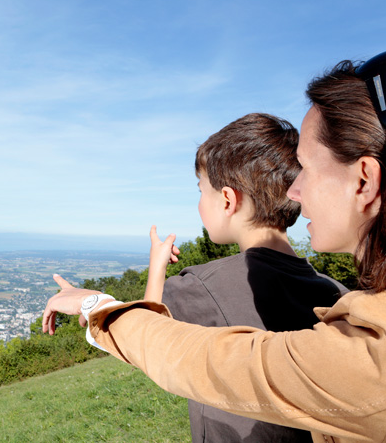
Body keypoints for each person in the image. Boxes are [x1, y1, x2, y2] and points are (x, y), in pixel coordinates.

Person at [43, 47, 386, 442]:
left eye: (306, 168)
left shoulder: (381, 359)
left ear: (364, 180)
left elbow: (201, 358)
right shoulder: (371, 305)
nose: (294, 191)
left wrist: (93, 303)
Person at [144, 113, 347, 442]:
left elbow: (144, 339)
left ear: (227, 200)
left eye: (200, 190)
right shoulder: (338, 295)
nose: (198, 202)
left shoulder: (202, 286)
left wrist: (157, 268)